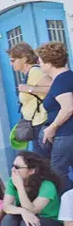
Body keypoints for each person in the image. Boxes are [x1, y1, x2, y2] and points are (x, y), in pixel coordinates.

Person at [36, 41, 73, 193]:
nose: (38, 64)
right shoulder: (67, 77)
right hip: (67, 134)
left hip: (65, 133)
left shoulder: (61, 80)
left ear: (49, 63)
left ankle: (68, 207)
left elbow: (68, 107)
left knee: (58, 170)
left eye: (40, 60)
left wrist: (52, 128)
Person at [8, 42, 52, 156]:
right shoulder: (29, 74)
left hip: (41, 122)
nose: (10, 63)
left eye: (13, 60)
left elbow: (53, 87)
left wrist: (29, 89)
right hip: (35, 123)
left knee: (44, 162)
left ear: (23, 58)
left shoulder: (35, 72)